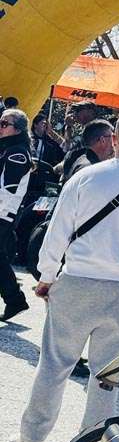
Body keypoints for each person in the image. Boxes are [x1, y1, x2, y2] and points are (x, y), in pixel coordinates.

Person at [8, 112, 119, 442]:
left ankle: (31, 439)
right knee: (109, 378)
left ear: (114, 139)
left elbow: (58, 230)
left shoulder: (85, 177)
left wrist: (46, 275)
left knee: (54, 364)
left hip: (78, 281)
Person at [0, 108, 33, 321]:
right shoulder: (7, 148)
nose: (0, 127)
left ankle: (15, 299)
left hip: (3, 213)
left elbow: (7, 190)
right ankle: (15, 300)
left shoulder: (17, 153)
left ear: (18, 129)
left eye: (5, 124)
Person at [61, 119, 115, 183]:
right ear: (102, 140)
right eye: (112, 137)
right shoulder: (92, 170)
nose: (115, 141)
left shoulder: (83, 160)